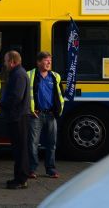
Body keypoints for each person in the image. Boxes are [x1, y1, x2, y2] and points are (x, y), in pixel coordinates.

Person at [27, 51, 65, 179]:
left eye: (50, 60)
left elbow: (60, 95)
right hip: (35, 115)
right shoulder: (30, 75)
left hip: (50, 115)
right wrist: (29, 109)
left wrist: (57, 110)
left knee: (51, 144)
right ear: (38, 62)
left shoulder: (55, 76)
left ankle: (50, 169)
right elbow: (25, 95)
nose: (49, 63)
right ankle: (32, 169)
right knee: (33, 143)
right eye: (46, 60)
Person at [0, 50, 31, 190]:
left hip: (18, 117)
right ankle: (19, 178)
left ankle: (21, 179)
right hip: (17, 116)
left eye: (6, 61)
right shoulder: (18, 73)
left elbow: (16, 97)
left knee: (20, 150)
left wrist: (1, 104)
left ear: (12, 61)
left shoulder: (18, 75)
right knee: (18, 149)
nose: (4, 64)